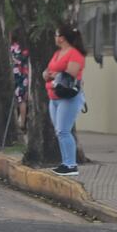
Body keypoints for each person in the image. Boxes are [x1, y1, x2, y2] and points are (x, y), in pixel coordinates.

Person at [43, 24, 87, 176]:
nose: (55, 38)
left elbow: (71, 74)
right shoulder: (58, 53)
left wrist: (54, 74)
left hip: (68, 98)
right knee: (59, 131)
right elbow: (47, 72)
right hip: (54, 97)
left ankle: (71, 165)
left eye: (56, 35)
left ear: (62, 38)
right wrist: (51, 74)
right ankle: (65, 162)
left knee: (63, 130)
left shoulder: (75, 54)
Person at [10, 28, 30, 132]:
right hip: (23, 76)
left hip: (12, 75)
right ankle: (22, 123)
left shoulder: (10, 48)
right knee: (22, 100)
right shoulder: (25, 49)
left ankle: (15, 123)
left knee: (13, 100)